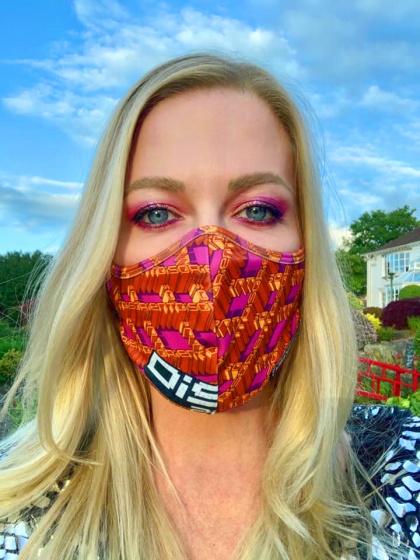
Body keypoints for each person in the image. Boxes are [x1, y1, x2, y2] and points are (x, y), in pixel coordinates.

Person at [0, 53, 419, 560]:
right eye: (157, 213)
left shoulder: (401, 466)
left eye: (258, 210)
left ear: (306, 245)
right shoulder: (20, 514)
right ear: (104, 253)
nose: (212, 259)